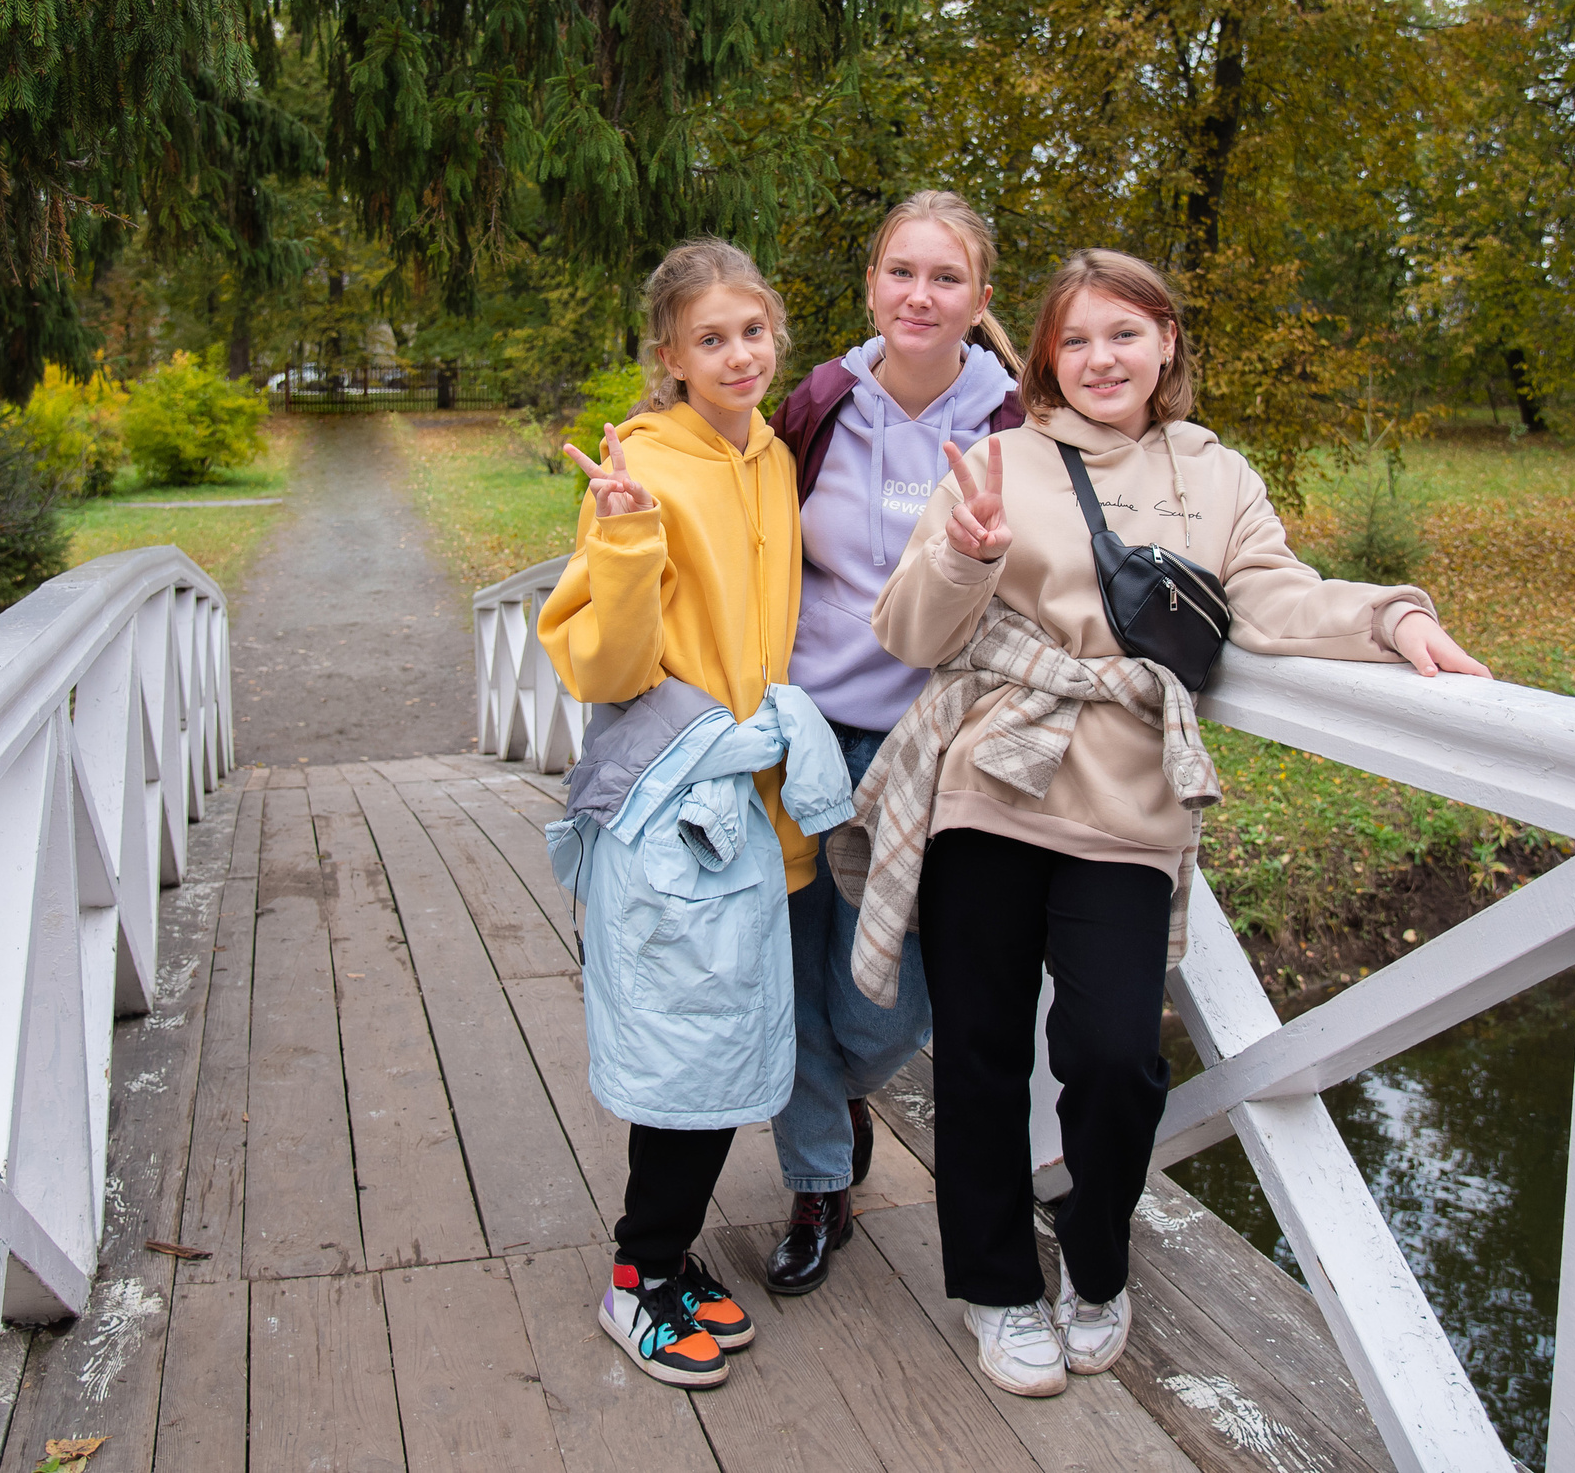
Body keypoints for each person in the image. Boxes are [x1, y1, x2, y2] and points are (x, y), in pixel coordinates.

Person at [849, 249, 1488, 1398]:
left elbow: (1272, 594)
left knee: (1112, 1061)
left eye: (1125, 336)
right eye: (1077, 340)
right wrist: (966, 553)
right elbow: (907, 631)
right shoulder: (998, 459)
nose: (1101, 360)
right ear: (1046, 355)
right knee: (984, 1060)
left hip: (1130, 796)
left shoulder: (1215, 472)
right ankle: (996, 1291)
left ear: (1167, 346)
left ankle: (1097, 1265)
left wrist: (1389, 617)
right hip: (991, 784)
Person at [539, 238, 850, 1390]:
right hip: (675, 805)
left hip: (758, 804)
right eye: (709, 339)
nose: (737, 355)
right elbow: (603, 668)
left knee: (730, 1037)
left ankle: (667, 1260)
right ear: (667, 355)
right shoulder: (644, 467)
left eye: (752, 332)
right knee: (687, 1045)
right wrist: (620, 532)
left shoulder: (770, 456)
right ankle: (641, 1277)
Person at [759, 190, 1025, 1294]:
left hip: (932, 742)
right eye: (900, 272)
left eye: (945, 277)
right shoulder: (821, 400)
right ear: (871, 283)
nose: (920, 296)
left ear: (979, 299)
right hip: (803, 730)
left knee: (893, 996)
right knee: (783, 964)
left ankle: (843, 1088)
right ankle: (818, 1179)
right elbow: (748, 524)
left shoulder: (1014, 420)